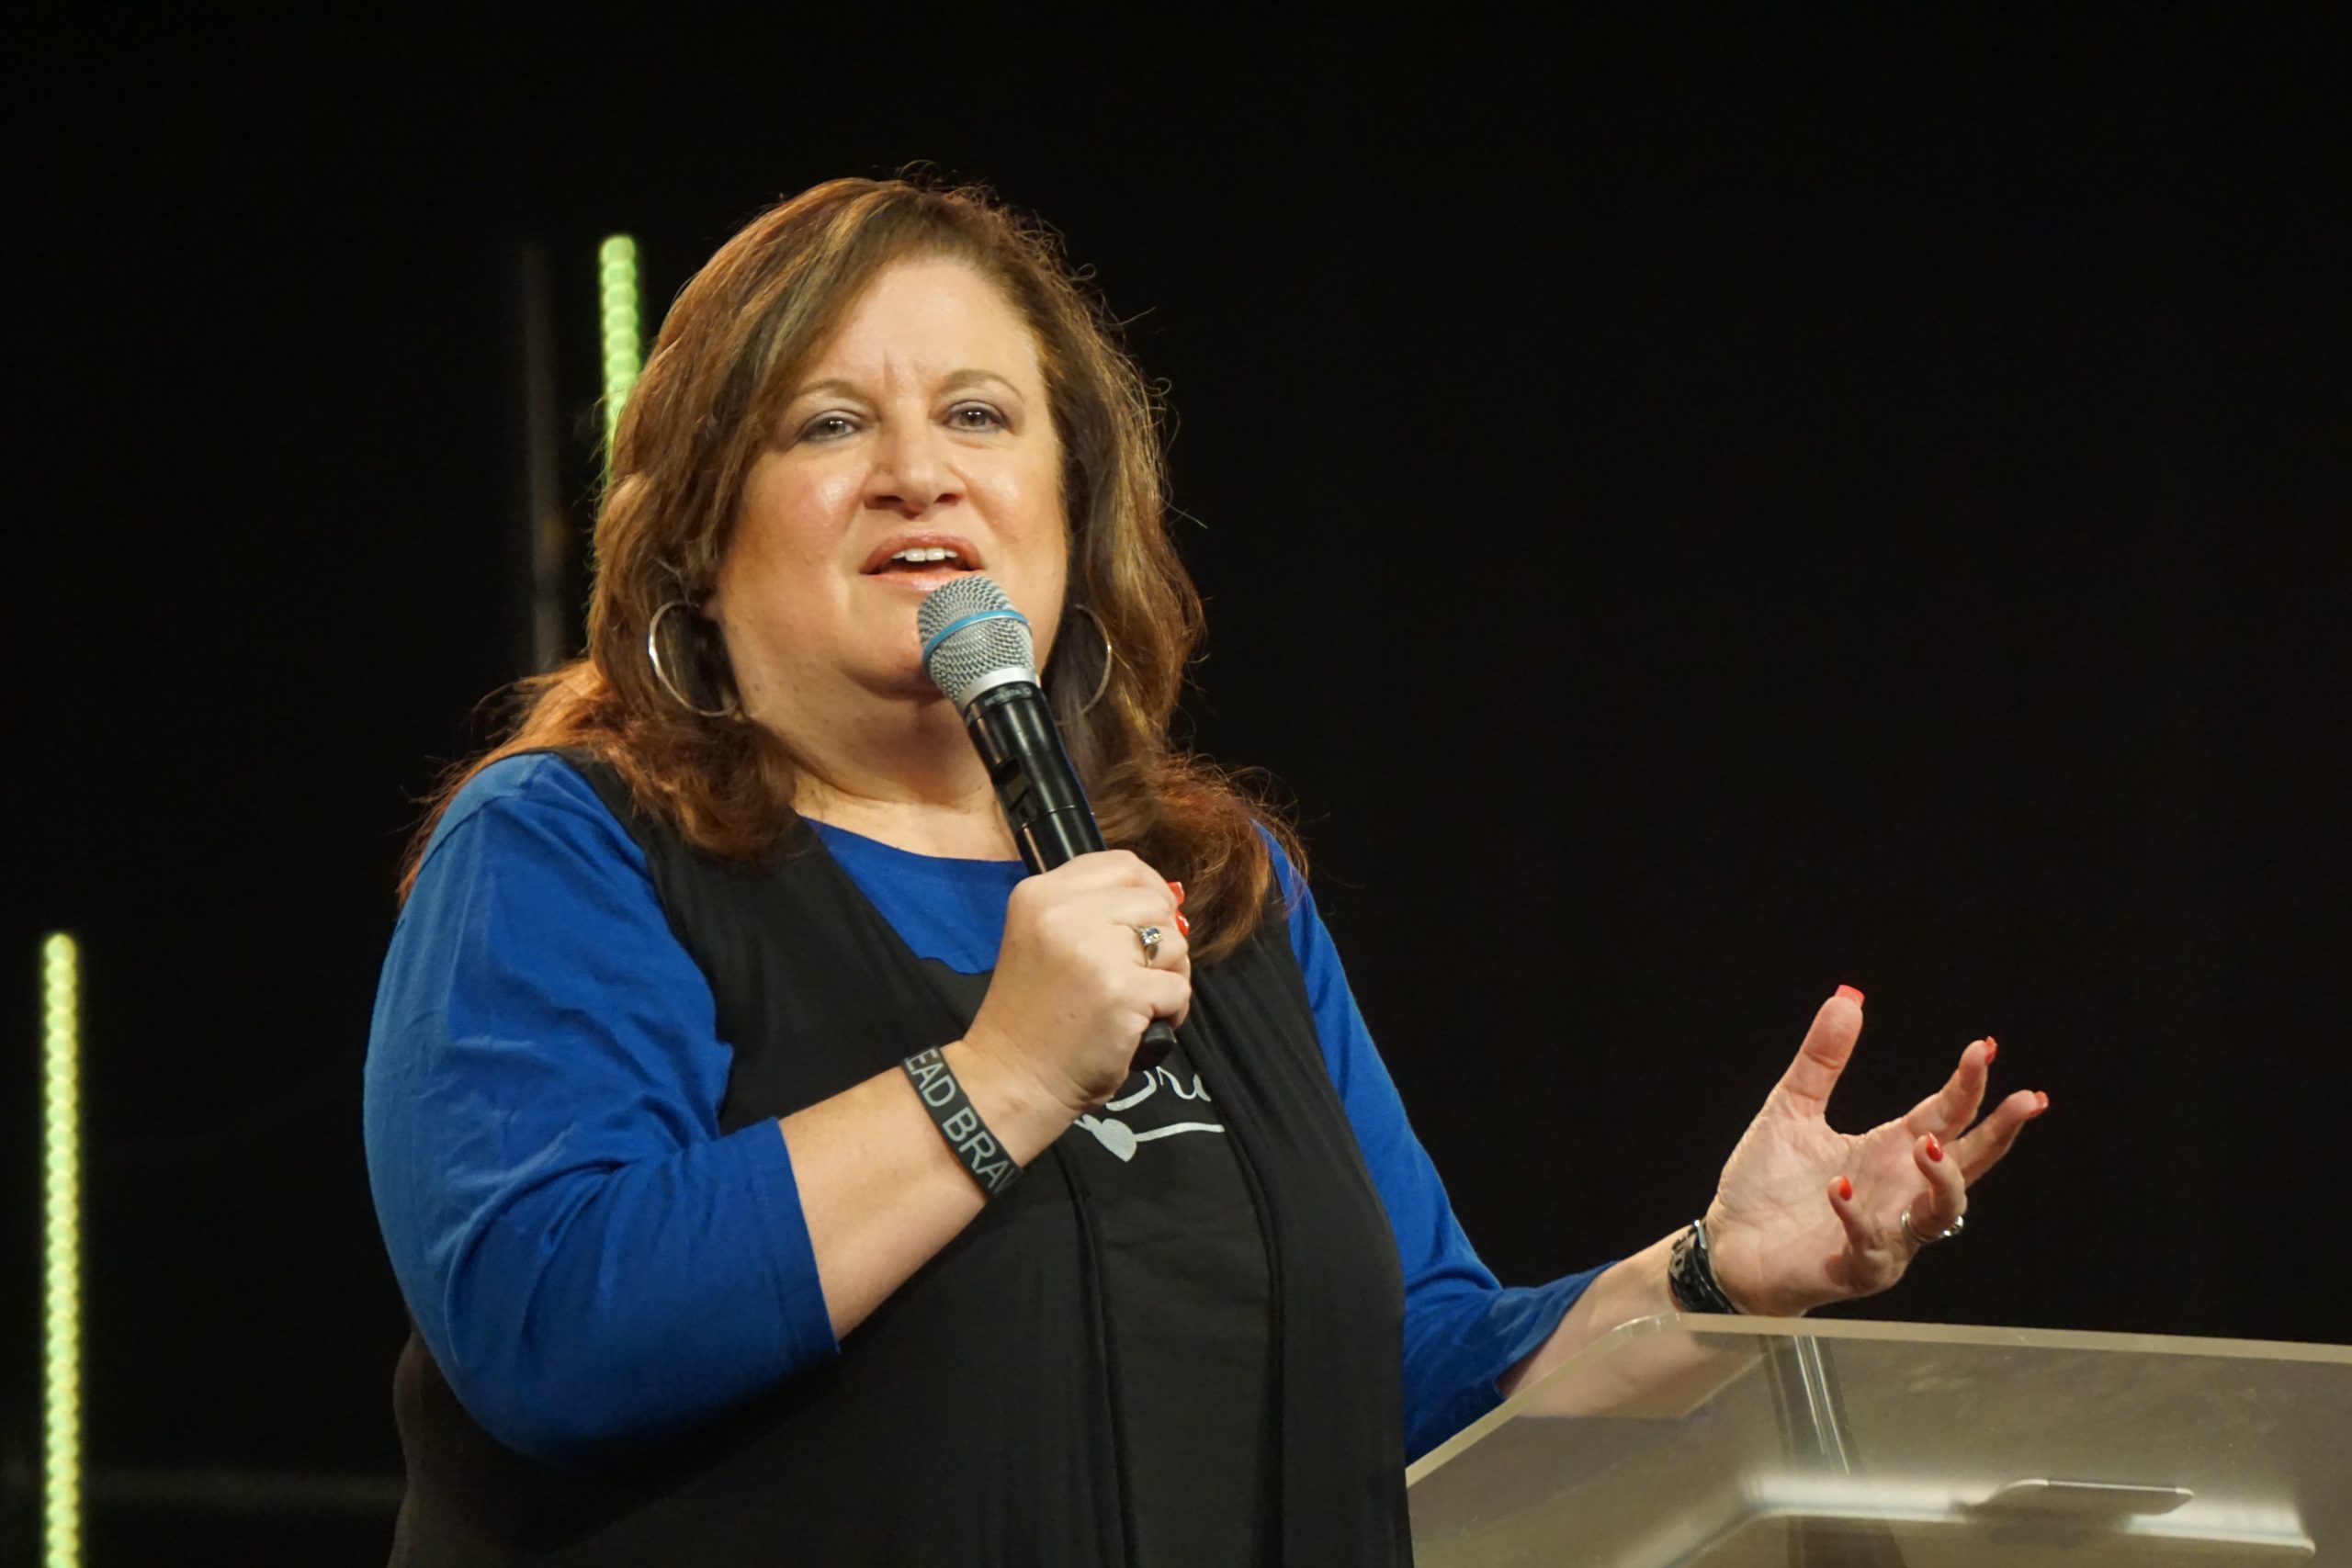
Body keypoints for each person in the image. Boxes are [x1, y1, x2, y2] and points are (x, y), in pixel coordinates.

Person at [363, 177, 2052, 1565]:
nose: (919, 470)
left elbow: (1408, 1377)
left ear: (1067, 504)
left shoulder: (1216, 890)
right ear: (696, 537)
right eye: (825, 422)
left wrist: (1711, 1278)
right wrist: (1002, 1075)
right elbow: (549, 1327)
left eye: (978, 413)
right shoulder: (575, 847)